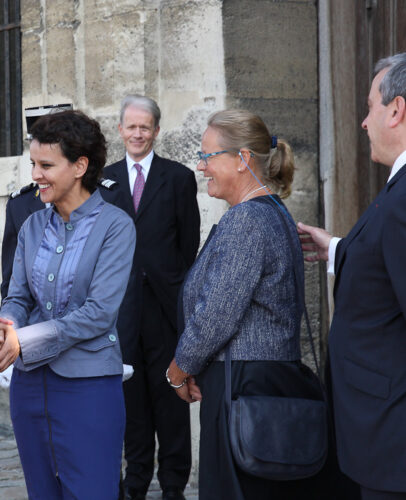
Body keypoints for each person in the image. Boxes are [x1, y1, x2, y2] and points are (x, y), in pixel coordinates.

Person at [166, 109, 326, 499]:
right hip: (262, 382)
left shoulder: (247, 221)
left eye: (207, 156)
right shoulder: (273, 213)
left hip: (243, 386)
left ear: (241, 160)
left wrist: (178, 368)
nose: (201, 167)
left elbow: (216, 314)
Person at [0, 110, 136, 499]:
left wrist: (24, 340)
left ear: (80, 166)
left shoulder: (116, 226)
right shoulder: (32, 225)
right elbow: (18, 296)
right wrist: (7, 325)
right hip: (29, 387)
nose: (36, 174)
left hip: (88, 389)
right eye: (33, 164)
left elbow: (99, 313)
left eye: (46, 165)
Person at [297, 53, 406, 499]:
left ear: (397, 109)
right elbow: (388, 265)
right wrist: (338, 249)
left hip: (391, 433)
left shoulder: (403, 201)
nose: (364, 122)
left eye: (370, 107)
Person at [99, 95, 199, 500]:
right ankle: (135, 480)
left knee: (170, 396)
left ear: (157, 130)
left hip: (165, 307)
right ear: (120, 130)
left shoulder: (177, 177)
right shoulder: (103, 181)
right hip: (122, 309)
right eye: (131, 126)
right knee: (131, 399)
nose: (138, 133)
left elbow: (188, 242)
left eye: (146, 127)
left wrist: (170, 283)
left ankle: (173, 484)